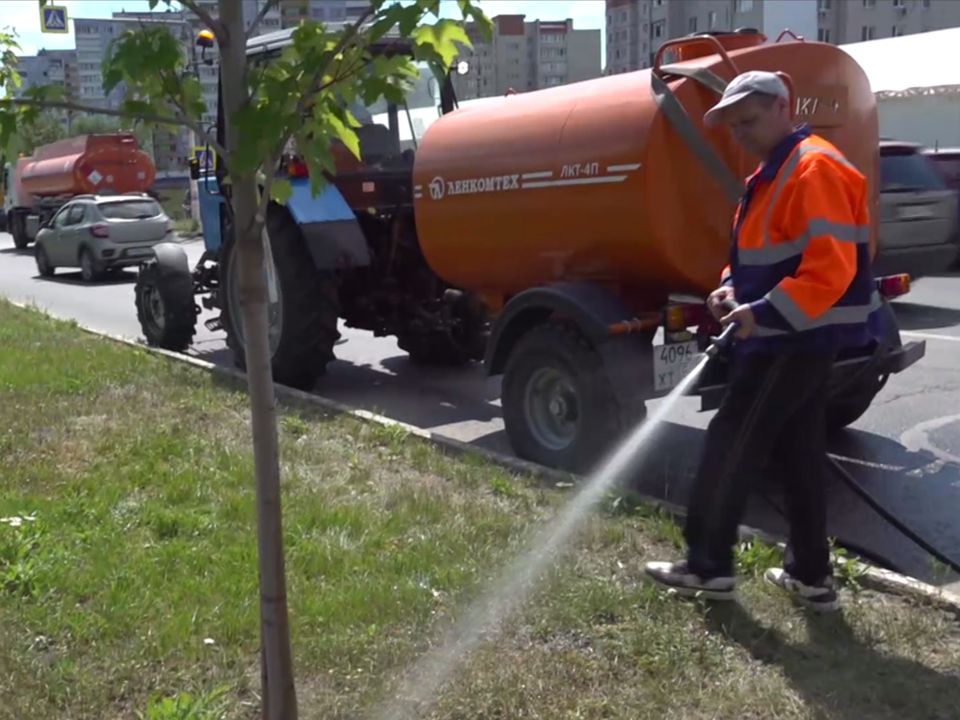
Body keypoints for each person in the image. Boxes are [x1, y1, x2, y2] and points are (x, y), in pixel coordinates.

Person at [644, 70, 883, 613]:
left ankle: (708, 566)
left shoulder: (812, 168)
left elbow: (829, 269)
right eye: (733, 127)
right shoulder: (773, 175)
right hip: (791, 337)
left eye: (749, 121)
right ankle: (810, 576)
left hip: (791, 340)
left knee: (730, 441)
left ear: (784, 107)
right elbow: (759, 256)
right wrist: (730, 289)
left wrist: (763, 313)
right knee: (798, 453)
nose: (741, 134)